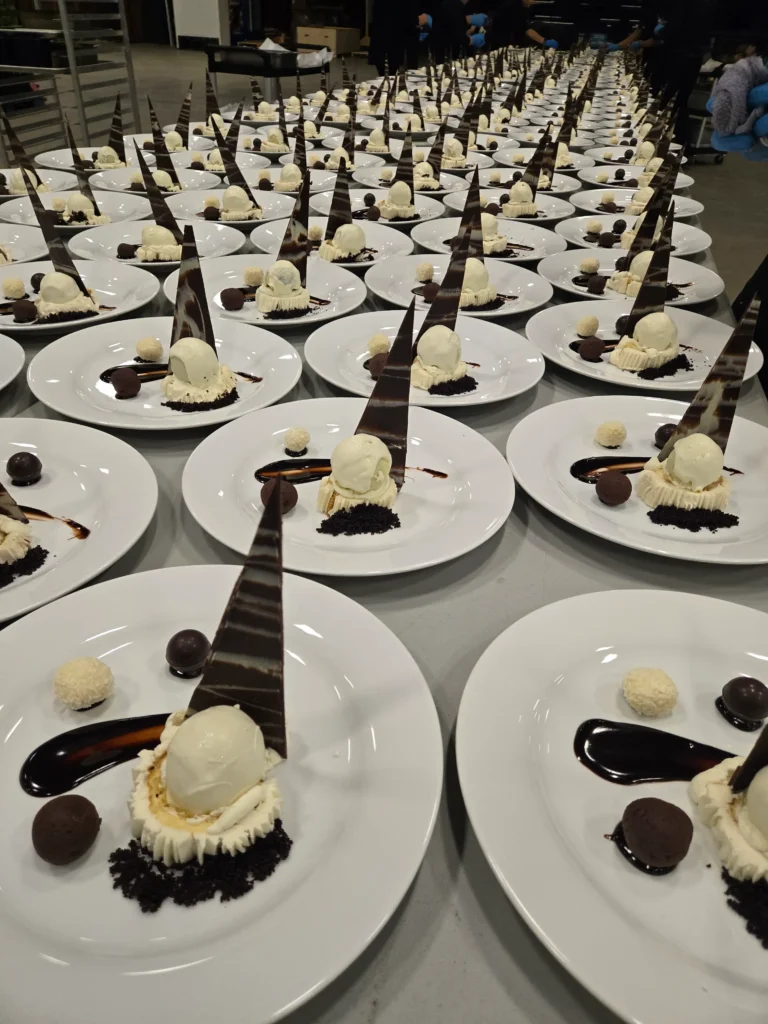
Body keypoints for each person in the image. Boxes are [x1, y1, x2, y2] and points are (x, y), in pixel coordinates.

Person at [485, 0, 557, 50]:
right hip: (498, 44)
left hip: (504, 41)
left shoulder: (519, 6)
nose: (533, 2)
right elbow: (526, 29)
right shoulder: (513, 6)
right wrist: (544, 41)